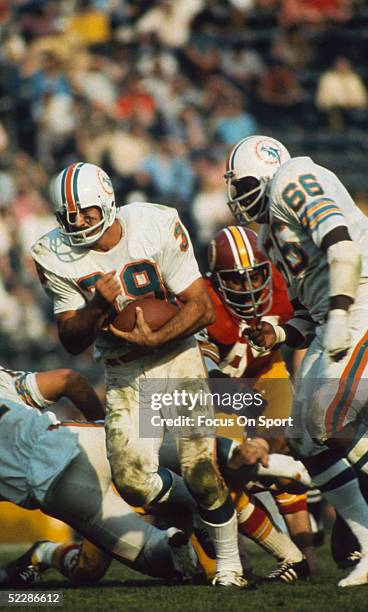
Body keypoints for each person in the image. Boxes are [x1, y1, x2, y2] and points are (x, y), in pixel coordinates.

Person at [30, 162, 245, 587]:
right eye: (68, 217)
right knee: (131, 482)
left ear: (108, 201)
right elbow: (72, 341)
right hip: (122, 368)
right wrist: (95, 306)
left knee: (199, 468)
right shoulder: (50, 253)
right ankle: (203, 516)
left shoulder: (154, 222)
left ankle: (230, 566)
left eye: (87, 213)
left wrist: (157, 337)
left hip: (177, 354)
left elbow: (202, 306)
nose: (78, 223)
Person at [223, 134, 368, 587]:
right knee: (304, 436)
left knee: (331, 416)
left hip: (362, 296)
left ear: (261, 171)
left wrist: (337, 313)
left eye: (239, 184)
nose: (236, 196)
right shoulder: (268, 232)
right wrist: (276, 333)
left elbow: (342, 244)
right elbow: (303, 313)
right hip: (331, 312)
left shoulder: (293, 178)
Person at [198, 224, 316, 579]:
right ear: (216, 279)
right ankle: (240, 551)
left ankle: (305, 550)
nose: (248, 287)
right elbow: (206, 371)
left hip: (268, 373)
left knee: (279, 448)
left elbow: (307, 326)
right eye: (235, 279)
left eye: (255, 275)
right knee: (225, 471)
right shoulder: (202, 299)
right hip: (222, 391)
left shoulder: (281, 285)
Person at [0, 390, 199, 586]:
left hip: (58, 478)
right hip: (84, 441)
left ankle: (199, 541)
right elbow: (68, 379)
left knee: (162, 555)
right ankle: (44, 553)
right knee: (89, 566)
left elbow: (67, 379)